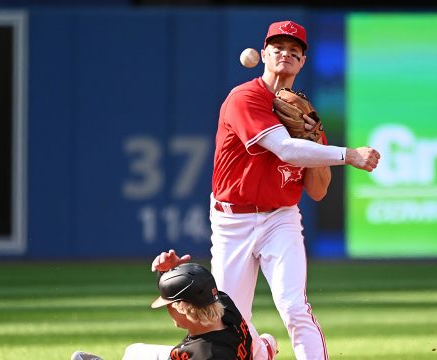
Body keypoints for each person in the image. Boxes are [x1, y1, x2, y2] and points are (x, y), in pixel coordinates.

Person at [156, 20, 381, 360]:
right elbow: (285, 150)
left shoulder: (306, 121)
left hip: (281, 218)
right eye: (277, 48)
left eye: (295, 51)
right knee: (230, 321)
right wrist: (348, 155)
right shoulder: (244, 98)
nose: (285, 54)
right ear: (263, 54)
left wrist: (313, 140)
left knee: (294, 308)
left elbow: (318, 191)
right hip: (233, 221)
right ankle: (263, 350)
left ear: (302, 62)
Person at [71, 250, 278, 360]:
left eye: (169, 304)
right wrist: (171, 273)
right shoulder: (222, 302)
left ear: (182, 307)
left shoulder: (201, 354)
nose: (167, 309)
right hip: (245, 349)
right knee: (135, 352)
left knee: (135, 354)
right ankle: (265, 349)